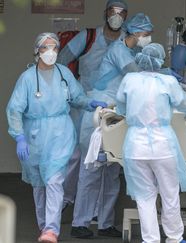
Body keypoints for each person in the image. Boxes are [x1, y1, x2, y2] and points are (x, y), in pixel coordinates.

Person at [6, 32, 107, 243]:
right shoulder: (27, 78)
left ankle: (52, 229)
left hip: (60, 132)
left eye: (54, 48)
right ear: (37, 51)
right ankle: (44, 227)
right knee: (39, 184)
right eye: (46, 47)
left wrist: (90, 103)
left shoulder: (63, 74)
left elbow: (77, 96)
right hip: (34, 136)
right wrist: (19, 136)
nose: (51, 52)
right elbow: (14, 109)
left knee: (54, 180)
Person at [70, 13, 153, 238]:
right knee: (92, 171)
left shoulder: (133, 52)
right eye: (145, 34)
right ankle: (80, 222)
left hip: (117, 114)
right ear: (134, 33)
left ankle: (106, 223)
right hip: (99, 113)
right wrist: (166, 77)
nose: (147, 38)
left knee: (112, 170)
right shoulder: (118, 51)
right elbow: (138, 76)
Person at [116, 43, 186, 243]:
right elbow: (183, 103)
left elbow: (120, 107)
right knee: (169, 194)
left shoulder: (129, 80)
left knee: (144, 198)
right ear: (160, 60)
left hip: (135, 147)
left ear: (141, 58)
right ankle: (174, 237)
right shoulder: (168, 82)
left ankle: (150, 240)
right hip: (163, 146)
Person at [57, 0, 128, 213]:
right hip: (83, 105)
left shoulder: (127, 40)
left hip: (114, 108)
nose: (116, 16)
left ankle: (98, 213)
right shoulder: (88, 37)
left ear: (126, 17)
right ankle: (64, 200)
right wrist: (70, 91)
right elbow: (61, 61)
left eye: (121, 13)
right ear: (105, 13)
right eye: (112, 12)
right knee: (76, 156)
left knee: (108, 160)